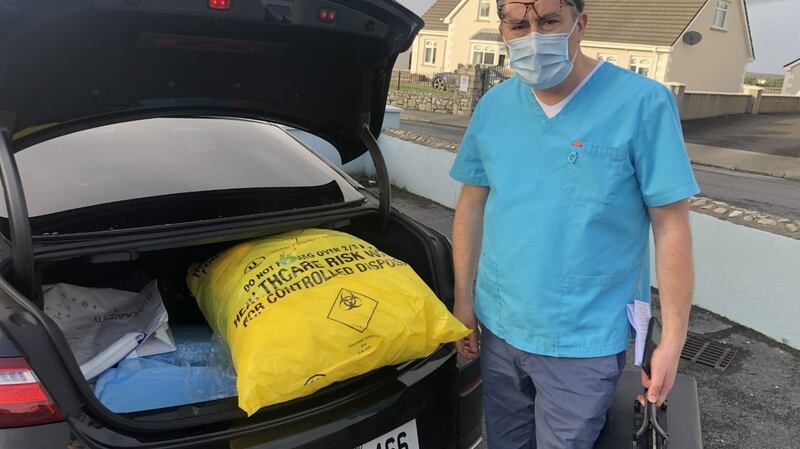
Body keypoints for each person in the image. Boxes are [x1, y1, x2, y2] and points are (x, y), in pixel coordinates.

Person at [448, 0, 699, 448]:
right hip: (500, 327)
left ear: (579, 23)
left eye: (548, 21)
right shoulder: (495, 106)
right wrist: (463, 302)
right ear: (503, 30)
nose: (533, 36)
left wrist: (673, 341)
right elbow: (471, 203)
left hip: (582, 341)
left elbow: (670, 225)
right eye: (518, 24)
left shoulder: (641, 104)